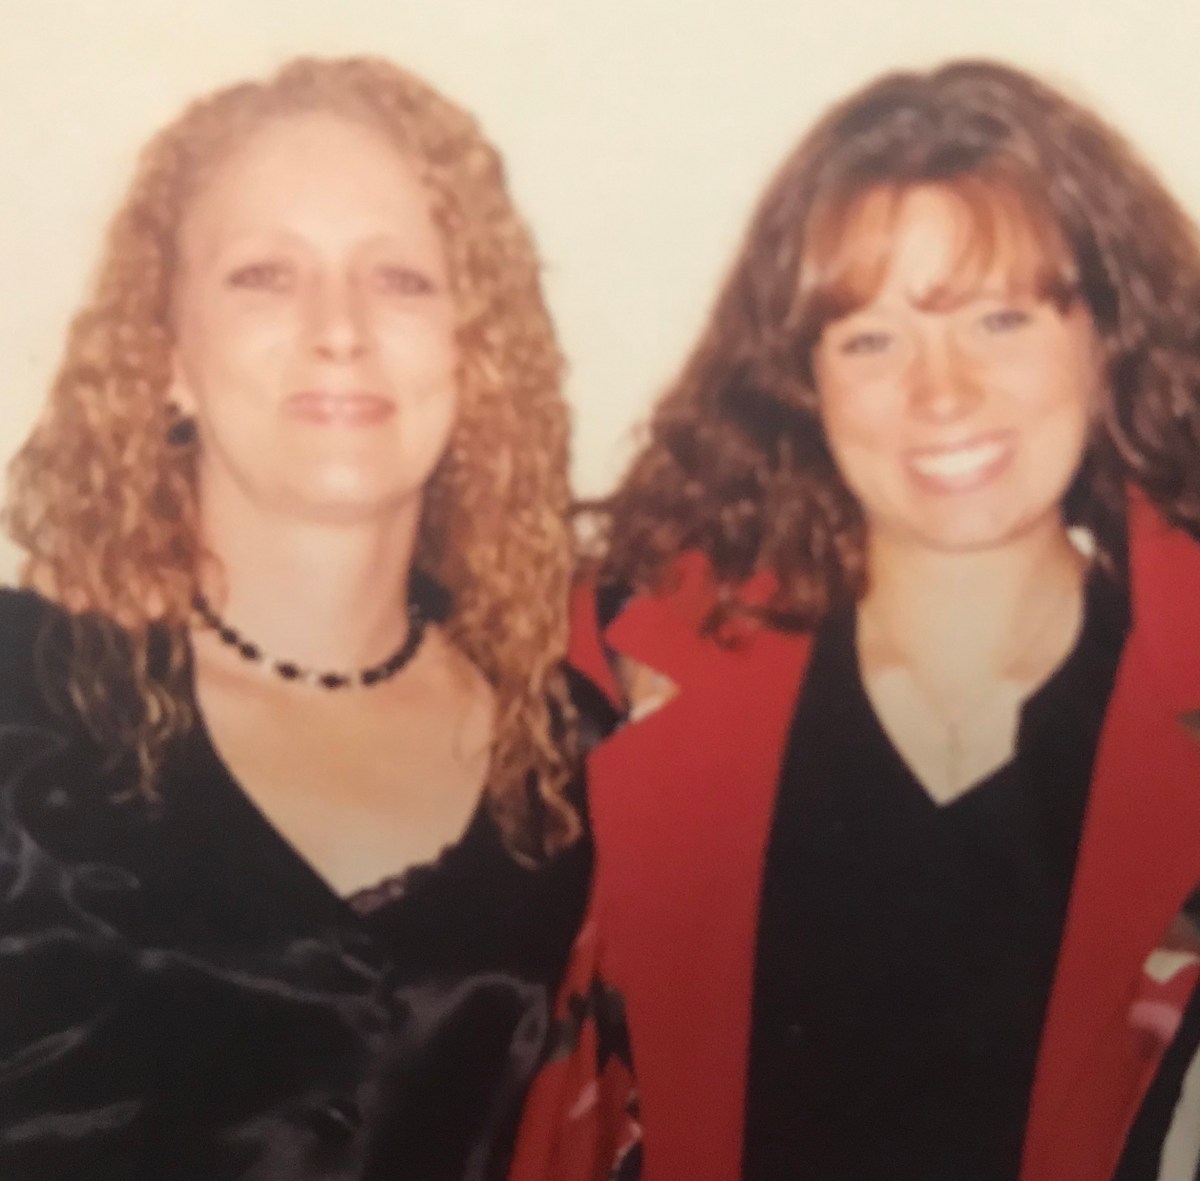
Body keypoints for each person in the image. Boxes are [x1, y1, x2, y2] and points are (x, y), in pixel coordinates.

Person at [510, 60, 1200, 1181]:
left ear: (1105, 336)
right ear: (802, 380)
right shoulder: (616, 672)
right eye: (871, 339)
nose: (943, 393)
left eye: (1000, 319)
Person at [0, 55, 589, 1180]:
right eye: (265, 275)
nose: (339, 330)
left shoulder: (574, 760)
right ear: (166, 358)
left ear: (475, 355)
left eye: (401, 278)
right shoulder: (21, 700)